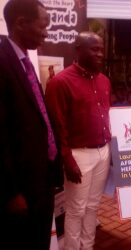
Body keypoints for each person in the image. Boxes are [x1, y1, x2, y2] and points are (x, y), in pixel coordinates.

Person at [0, 1, 63, 249]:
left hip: (41, 179)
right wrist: (10, 192)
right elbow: (1, 135)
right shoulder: (3, 64)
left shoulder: (24, 61)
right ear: (21, 23)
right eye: (43, 26)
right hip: (20, 189)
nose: (47, 33)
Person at [45, 31, 112, 250]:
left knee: (93, 206)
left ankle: (88, 246)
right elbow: (57, 126)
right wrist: (67, 159)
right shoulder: (60, 82)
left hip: (103, 151)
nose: (100, 54)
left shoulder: (104, 81)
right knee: (76, 209)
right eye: (94, 49)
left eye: (101, 49)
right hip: (78, 155)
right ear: (78, 49)